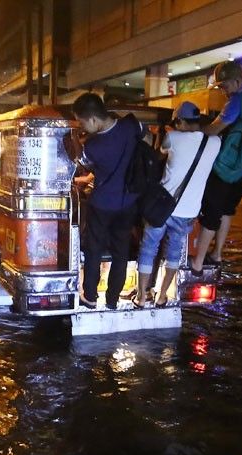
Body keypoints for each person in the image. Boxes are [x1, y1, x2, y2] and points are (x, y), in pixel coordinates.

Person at [134, 102, 221, 308]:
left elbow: (160, 154)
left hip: (162, 208)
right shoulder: (215, 142)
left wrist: (163, 133)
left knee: (148, 249)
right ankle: (162, 295)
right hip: (188, 211)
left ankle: (141, 296)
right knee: (173, 252)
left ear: (179, 121)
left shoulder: (172, 137)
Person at [190, 61, 242, 275]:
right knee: (227, 209)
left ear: (236, 81)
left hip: (228, 170)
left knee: (210, 213)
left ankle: (197, 263)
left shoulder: (237, 101)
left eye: (224, 86)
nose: (223, 91)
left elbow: (214, 130)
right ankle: (217, 254)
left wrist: (193, 129)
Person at [72, 92, 141, 310]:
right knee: (121, 252)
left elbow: (81, 161)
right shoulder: (131, 126)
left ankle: (90, 297)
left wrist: (74, 143)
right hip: (128, 202)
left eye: (82, 122)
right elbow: (145, 136)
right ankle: (112, 300)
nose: (83, 127)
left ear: (93, 119)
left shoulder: (93, 146)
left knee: (94, 250)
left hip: (102, 204)